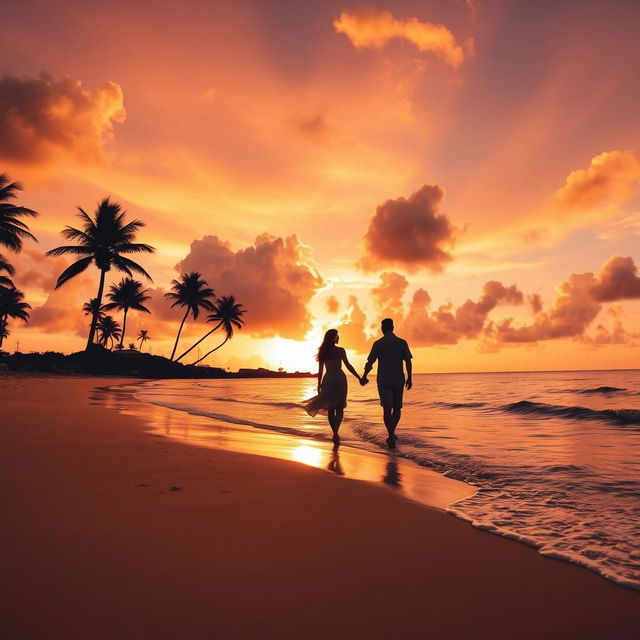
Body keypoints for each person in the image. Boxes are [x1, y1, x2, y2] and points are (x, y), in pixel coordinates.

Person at [303, 329, 363, 444]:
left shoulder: (323, 351)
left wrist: (319, 383)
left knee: (331, 408)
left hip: (329, 379)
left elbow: (320, 369)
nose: (338, 338)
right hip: (340, 379)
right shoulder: (340, 350)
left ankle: (335, 433)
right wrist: (358, 377)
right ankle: (336, 431)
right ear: (333, 338)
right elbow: (348, 365)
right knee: (339, 407)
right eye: (337, 336)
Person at [361, 318, 412, 448]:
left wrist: (364, 376)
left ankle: (390, 434)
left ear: (383, 329)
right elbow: (408, 361)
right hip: (398, 380)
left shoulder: (378, 344)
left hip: (384, 380)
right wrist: (410, 378)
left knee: (386, 409)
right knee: (397, 408)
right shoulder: (402, 343)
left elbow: (370, 363)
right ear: (393, 328)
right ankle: (391, 434)